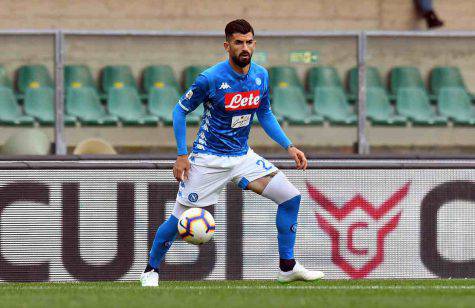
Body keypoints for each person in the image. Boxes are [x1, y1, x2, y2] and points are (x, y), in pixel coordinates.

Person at [140, 19, 324, 286]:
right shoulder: (210, 78)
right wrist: (182, 154)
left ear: (254, 43)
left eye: (249, 42)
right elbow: (179, 111)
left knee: (290, 198)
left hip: (242, 157)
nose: (244, 47)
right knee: (177, 219)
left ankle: (287, 266)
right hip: (208, 159)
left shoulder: (261, 75)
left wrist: (289, 146)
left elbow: (265, 114)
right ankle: (151, 271)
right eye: (238, 42)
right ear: (227, 46)